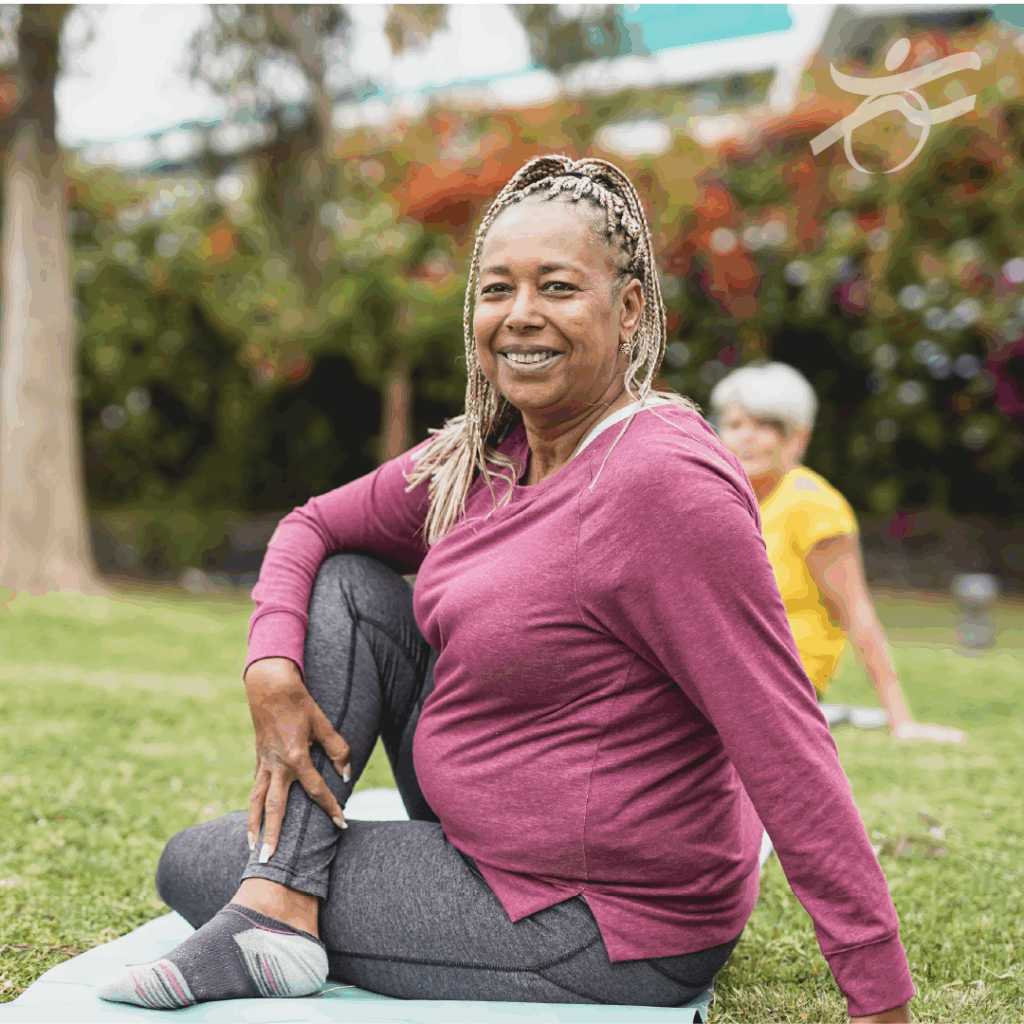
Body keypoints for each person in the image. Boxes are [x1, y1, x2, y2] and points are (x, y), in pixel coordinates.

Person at [97, 156, 914, 1023]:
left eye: (558, 287)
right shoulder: (485, 456)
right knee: (349, 587)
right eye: (498, 290)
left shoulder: (661, 486)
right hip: (485, 831)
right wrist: (268, 664)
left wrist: (877, 991)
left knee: (195, 860)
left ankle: (272, 901)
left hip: (599, 919)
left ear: (628, 310)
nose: (521, 315)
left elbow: (782, 736)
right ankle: (281, 902)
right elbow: (311, 527)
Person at [710, 361, 964, 745]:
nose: (746, 438)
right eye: (735, 425)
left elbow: (857, 613)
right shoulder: (725, 497)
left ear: (797, 438)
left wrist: (901, 720)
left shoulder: (814, 506)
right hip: (727, 672)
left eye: (764, 426)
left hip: (782, 685)